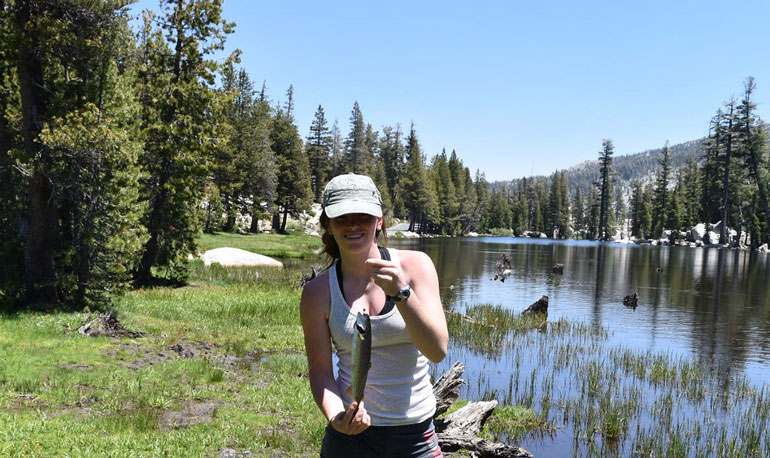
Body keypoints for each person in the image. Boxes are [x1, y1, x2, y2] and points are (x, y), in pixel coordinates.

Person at [300, 173, 449, 457]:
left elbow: (437, 350)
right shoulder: (317, 293)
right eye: (342, 217)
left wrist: (401, 293)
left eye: (363, 216)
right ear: (327, 226)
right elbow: (320, 372)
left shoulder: (416, 267)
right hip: (349, 441)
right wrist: (337, 417)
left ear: (379, 220)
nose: (353, 225)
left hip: (415, 437)